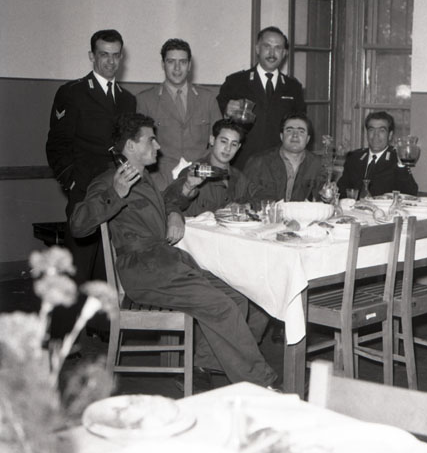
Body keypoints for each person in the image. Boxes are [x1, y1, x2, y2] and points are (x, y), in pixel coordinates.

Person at [69, 113, 278, 388]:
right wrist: (114, 194)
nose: (158, 146)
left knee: (237, 296)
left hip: (167, 262)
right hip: (144, 269)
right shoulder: (110, 180)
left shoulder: (143, 178)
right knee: (221, 307)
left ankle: (205, 365)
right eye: (151, 140)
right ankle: (261, 384)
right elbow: (78, 225)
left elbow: (166, 200)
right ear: (131, 146)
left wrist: (183, 195)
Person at [46, 29, 136, 338]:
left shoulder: (127, 99)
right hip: (84, 191)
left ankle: (101, 327)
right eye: (103, 55)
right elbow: (56, 145)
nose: (110, 62)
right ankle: (61, 336)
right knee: (78, 265)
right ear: (92, 56)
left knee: (106, 264)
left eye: (115, 55)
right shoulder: (72, 93)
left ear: (121, 58)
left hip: (116, 191)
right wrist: (71, 183)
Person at [136, 38, 221, 190]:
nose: (177, 68)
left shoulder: (208, 99)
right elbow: (140, 148)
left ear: (189, 65)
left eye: (182, 62)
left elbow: (218, 144)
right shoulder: (146, 100)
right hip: (161, 183)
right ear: (163, 64)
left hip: (202, 182)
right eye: (171, 62)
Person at [217, 26, 305, 169]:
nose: (272, 53)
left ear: (284, 53)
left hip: (279, 166)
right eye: (267, 46)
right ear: (257, 49)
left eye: (277, 48)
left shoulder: (293, 87)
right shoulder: (236, 82)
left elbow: (300, 126)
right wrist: (226, 111)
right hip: (241, 164)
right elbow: (216, 122)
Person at [167, 118, 252, 216]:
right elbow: (167, 204)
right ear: (212, 140)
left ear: (238, 147)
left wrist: (246, 206)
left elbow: (262, 195)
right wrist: (188, 186)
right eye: (223, 141)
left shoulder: (239, 178)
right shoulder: (193, 172)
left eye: (233, 144)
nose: (228, 148)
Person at [243, 112, 327, 204]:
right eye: (289, 130)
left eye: (301, 131)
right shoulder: (259, 162)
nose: (295, 135)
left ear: (308, 139)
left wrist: (328, 196)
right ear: (281, 136)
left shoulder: (318, 165)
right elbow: (244, 198)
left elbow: (323, 200)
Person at [337, 111, 418, 198]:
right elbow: (341, 190)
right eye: (371, 130)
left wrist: (401, 165)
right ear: (367, 133)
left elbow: (411, 193)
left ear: (390, 135)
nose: (376, 135)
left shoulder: (396, 159)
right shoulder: (354, 158)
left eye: (381, 131)